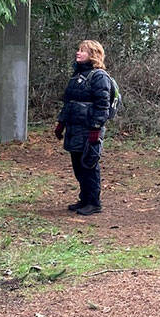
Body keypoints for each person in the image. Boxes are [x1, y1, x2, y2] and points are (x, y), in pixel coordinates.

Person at [55, 39, 111, 216]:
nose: (78, 53)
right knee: (78, 166)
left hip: (89, 130)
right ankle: (84, 199)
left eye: (83, 51)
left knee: (89, 165)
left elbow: (103, 105)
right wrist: (61, 124)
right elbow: (69, 103)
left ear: (93, 55)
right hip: (74, 129)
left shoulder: (99, 76)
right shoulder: (76, 76)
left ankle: (94, 202)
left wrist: (96, 128)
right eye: (78, 50)